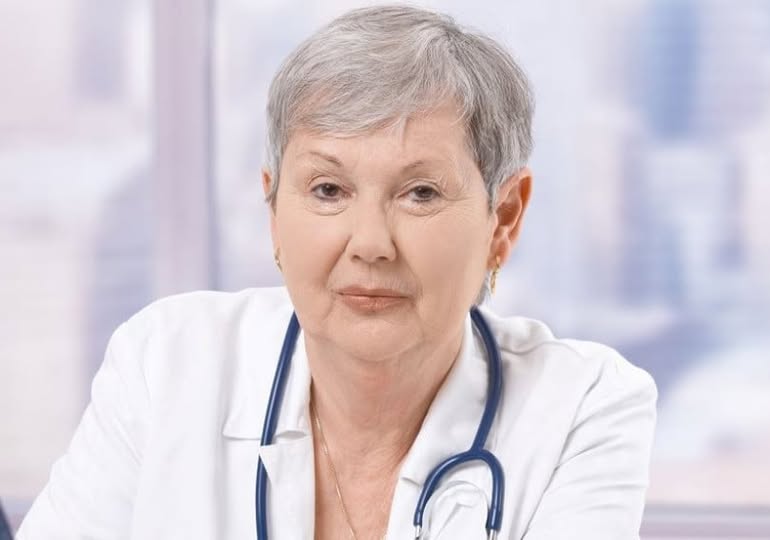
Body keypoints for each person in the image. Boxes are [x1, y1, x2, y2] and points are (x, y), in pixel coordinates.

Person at [17, 5, 657, 539]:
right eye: (328, 190)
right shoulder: (164, 362)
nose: (370, 244)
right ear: (274, 210)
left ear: (505, 218)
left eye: (421, 193)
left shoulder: (584, 407)